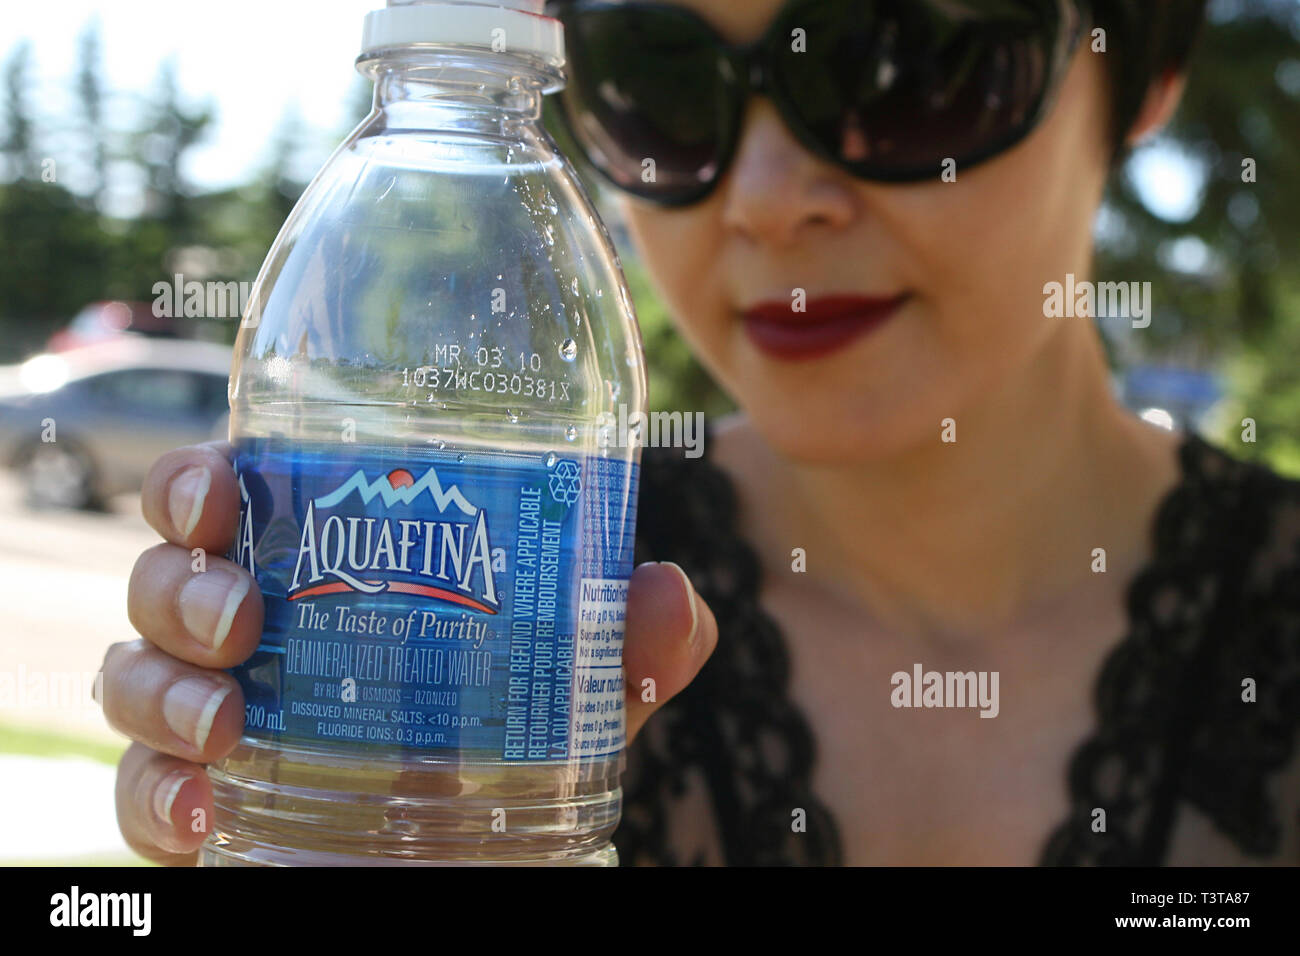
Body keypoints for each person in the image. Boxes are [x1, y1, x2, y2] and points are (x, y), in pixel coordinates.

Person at [101, 0, 1300, 865]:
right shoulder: (549, 605)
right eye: (658, 83)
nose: (772, 200)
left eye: (899, 63)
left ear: (1142, 67)